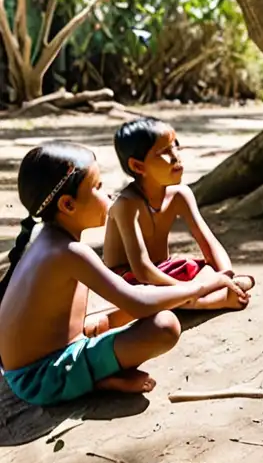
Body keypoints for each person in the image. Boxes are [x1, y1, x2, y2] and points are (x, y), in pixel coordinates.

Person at [0, 143, 237, 405]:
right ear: (68, 204)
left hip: (28, 363)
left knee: (149, 302)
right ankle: (94, 381)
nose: (109, 194)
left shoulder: (47, 238)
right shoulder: (69, 251)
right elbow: (136, 301)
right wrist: (202, 286)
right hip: (41, 378)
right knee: (164, 326)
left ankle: (93, 366)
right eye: (98, 188)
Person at [103, 117, 253, 310]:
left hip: (165, 270)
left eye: (176, 147)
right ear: (138, 166)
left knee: (213, 273)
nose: (176, 156)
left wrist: (226, 275)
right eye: (165, 151)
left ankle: (203, 296)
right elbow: (141, 270)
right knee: (149, 295)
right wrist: (193, 290)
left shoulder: (180, 195)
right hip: (130, 280)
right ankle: (209, 301)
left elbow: (208, 243)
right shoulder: (127, 205)